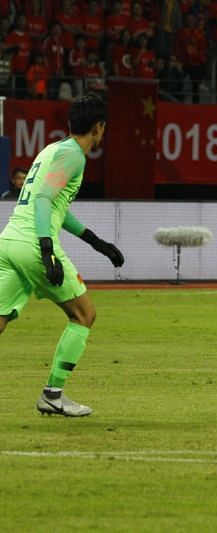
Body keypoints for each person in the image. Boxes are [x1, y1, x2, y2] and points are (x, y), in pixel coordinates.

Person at [0, 93, 124, 417]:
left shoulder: (52, 150)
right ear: (99, 127)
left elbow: (54, 205)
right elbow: (42, 199)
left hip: (9, 240)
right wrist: (47, 250)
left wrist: (94, 241)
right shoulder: (74, 157)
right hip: (31, 244)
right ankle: (53, 394)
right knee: (84, 315)